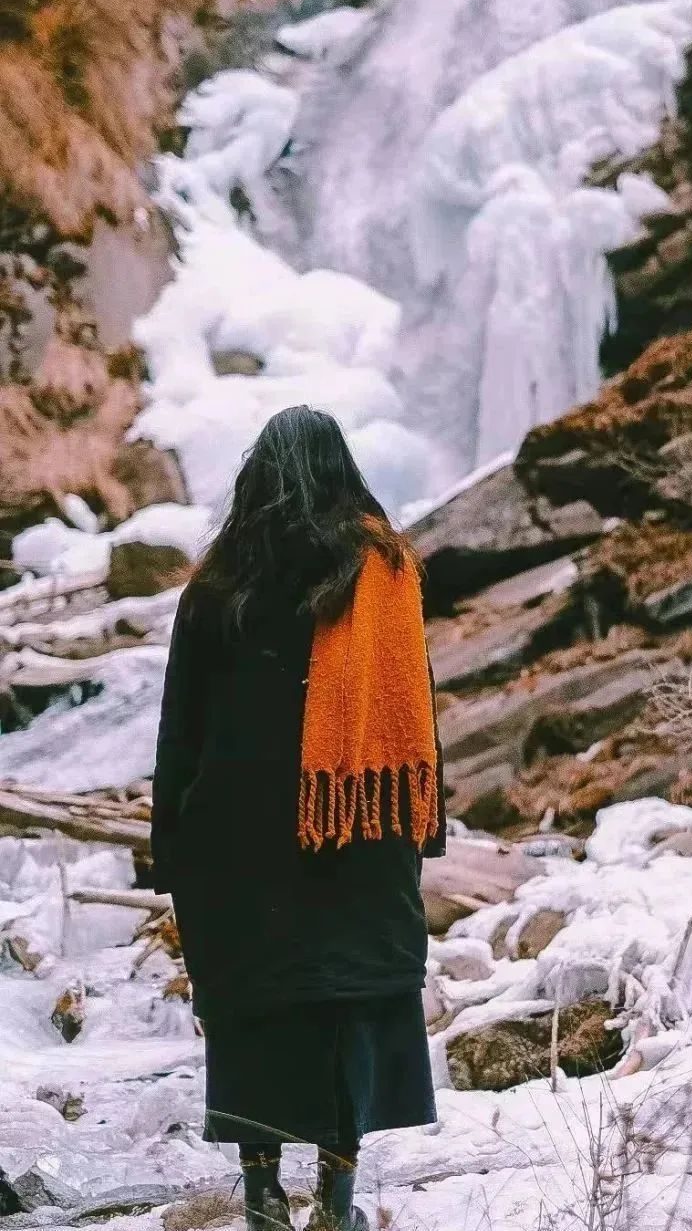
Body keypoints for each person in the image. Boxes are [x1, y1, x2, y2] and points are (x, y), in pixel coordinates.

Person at [151, 406, 445, 1231]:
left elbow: (181, 727)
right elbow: (414, 715)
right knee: (344, 1008)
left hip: (235, 843)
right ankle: (337, 1204)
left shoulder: (214, 587)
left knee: (255, 1014)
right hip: (355, 840)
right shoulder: (384, 572)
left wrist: (169, 842)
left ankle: (262, 1196)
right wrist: (421, 831)